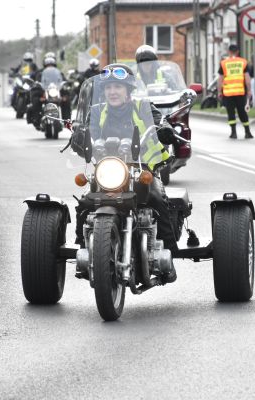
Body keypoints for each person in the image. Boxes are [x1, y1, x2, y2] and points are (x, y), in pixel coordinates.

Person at [78, 63, 178, 283]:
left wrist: (165, 128)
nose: (112, 91)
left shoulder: (142, 107)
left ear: (129, 90)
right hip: (107, 170)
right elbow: (86, 131)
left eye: (118, 87)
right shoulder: (96, 111)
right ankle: (81, 251)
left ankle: (170, 256)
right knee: (85, 204)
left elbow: (158, 121)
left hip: (141, 168)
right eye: (108, 87)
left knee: (158, 200)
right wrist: (78, 134)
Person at [217, 44, 253, 139]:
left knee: (231, 112)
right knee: (242, 112)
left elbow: (220, 79)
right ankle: (247, 132)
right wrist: (249, 91)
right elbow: (247, 78)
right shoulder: (243, 62)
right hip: (240, 92)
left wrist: (219, 92)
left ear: (229, 52)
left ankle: (233, 133)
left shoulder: (224, 63)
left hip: (228, 93)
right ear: (237, 52)